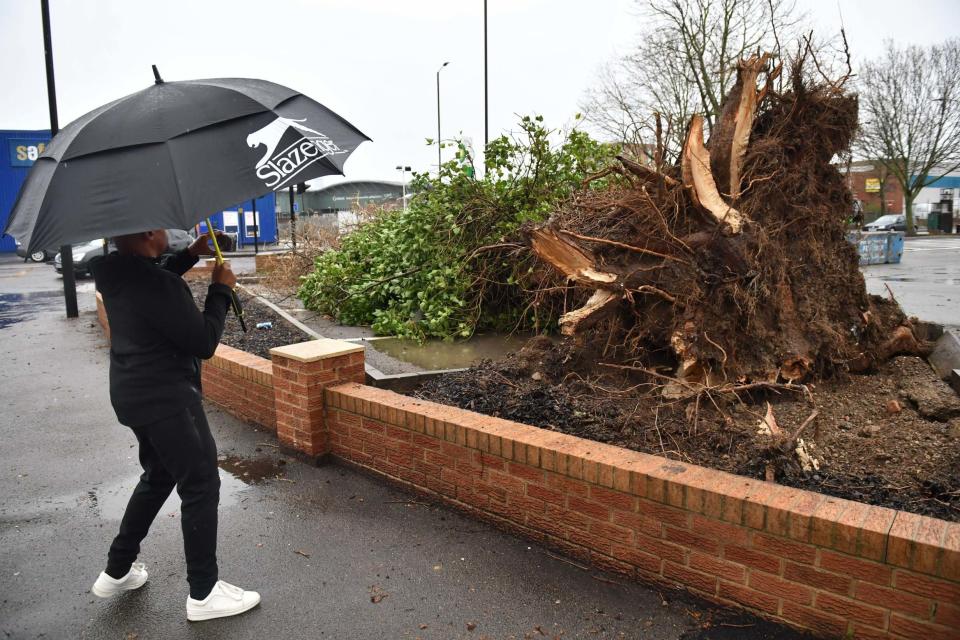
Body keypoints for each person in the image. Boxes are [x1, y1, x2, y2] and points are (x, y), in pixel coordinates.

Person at [88, 228, 260, 622]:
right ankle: (204, 593)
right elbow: (203, 342)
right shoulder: (156, 283)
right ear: (150, 232)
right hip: (168, 399)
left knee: (159, 475)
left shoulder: (117, 271)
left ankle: (117, 569)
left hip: (134, 394)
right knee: (200, 483)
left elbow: (156, 275)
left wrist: (192, 254)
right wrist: (221, 290)